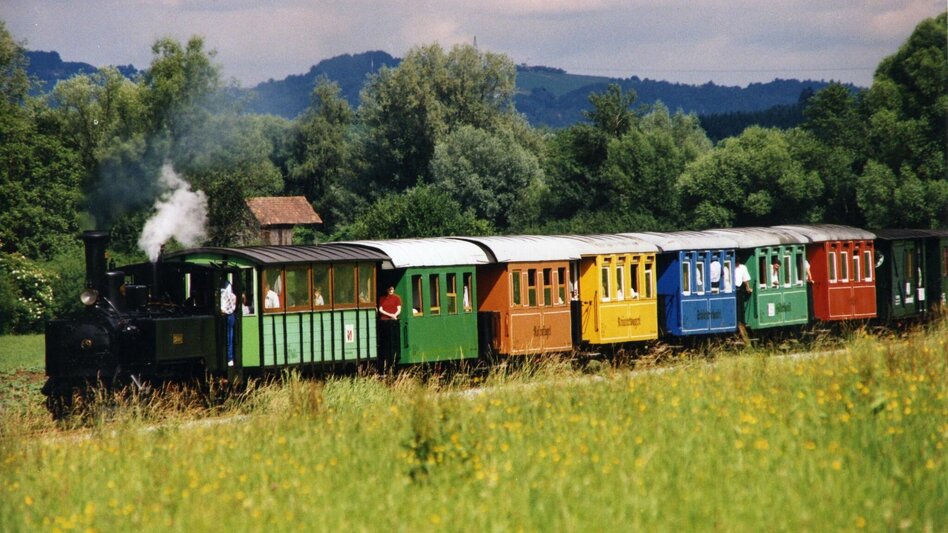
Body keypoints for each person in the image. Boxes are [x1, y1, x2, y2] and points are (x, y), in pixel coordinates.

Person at [220, 280, 237, 367]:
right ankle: (230, 359)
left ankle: (228, 358)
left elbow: (222, 308)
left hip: (225, 316)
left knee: (227, 337)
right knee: (230, 336)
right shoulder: (232, 295)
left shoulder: (222, 293)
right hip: (231, 315)